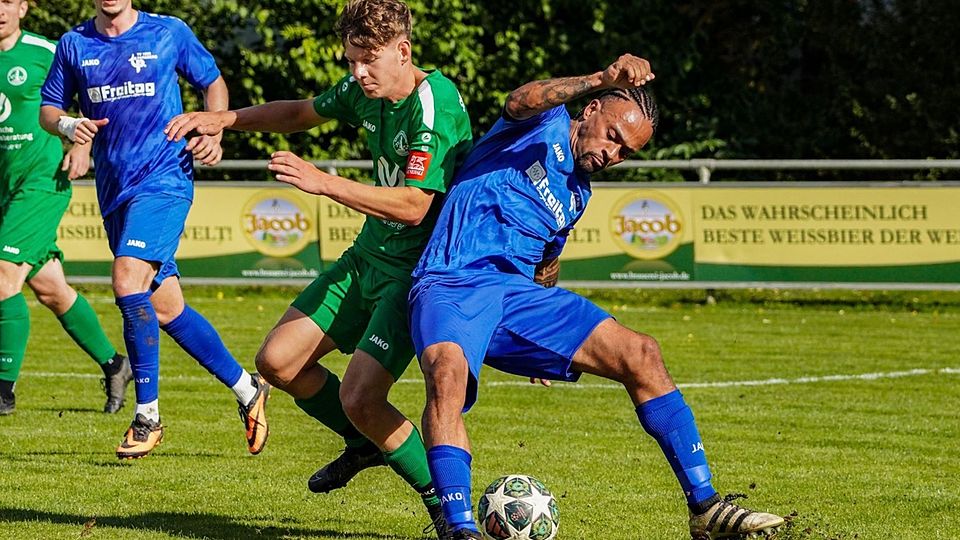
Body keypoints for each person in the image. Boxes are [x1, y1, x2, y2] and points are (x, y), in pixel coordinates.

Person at [411, 54, 786, 539]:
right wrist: (599, 79)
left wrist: (540, 346)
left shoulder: (578, 195)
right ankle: (460, 529)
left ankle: (706, 507)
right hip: (452, 280)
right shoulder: (540, 122)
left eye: (626, 152)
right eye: (613, 136)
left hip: (518, 297)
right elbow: (518, 99)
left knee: (642, 352)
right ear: (589, 112)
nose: (613, 154)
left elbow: (546, 262)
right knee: (447, 377)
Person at [164, 0, 472, 534]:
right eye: (351, 60)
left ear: (403, 51)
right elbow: (300, 113)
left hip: (415, 274)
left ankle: (444, 507)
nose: (357, 73)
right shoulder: (362, 90)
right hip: (366, 259)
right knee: (278, 362)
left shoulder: (433, 104)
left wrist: (324, 181)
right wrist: (224, 119)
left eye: (368, 60)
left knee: (359, 396)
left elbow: (416, 204)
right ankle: (363, 442)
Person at [37, 0, 269, 460]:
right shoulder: (74, 43)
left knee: (126, 280)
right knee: (164, 307)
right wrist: (69, 125)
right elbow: (48, 109)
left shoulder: (168, 33)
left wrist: (214, 131)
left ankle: (147, 416)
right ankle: (248, 388)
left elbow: (213, 82)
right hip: (114, 188)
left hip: (164, 180)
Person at [0, 0, 131, 416]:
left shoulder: (47, 50)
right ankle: (116, 364)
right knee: (51, 289)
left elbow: (88, 96)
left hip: (39, 182)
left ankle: (3, 390)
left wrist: (82, 141)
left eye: (7, 1)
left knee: (3, 277)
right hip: (4, 190)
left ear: (23, 7)